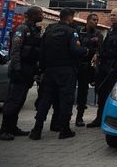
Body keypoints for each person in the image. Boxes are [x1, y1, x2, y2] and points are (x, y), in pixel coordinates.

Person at [30, 8, 87, 140]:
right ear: (70, 17)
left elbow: (42, 51)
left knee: (45, 100)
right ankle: (64, 129)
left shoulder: (49, 31)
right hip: (66, 71)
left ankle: (37, 130)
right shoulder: (71, 32)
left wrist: (42, 70)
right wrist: (85, 50)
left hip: (49, 71)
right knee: (66, 99)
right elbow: (75, 49)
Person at [0, 6, 44, 141]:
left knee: (20, 101)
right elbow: (15, 51)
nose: (42, 15)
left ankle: (12, 127)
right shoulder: (22, 29)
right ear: (33, 15)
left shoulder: (34, 30)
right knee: (13, 101)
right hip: (20, 69)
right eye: (40, 13)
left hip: (28, 70)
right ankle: (4, 130)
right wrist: (17, 69)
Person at [86, 8, 117, 128]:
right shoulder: (111, 30)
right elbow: (104, 46)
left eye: (114, 15)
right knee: (101, 93)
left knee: (112, 94)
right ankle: (99, 118)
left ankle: (111, 119)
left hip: (115, 68)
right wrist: (98, 55)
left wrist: (116, 65)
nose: (111, 17)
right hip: (104, 66)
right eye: (111, 15)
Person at [75, 13, 102, 126]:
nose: (95, 22)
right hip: (75, 65)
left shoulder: (98, 34)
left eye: (97, 20)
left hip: (87, 67)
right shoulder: (79, 31)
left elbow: (99, 49)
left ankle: (79, 117)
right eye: (93, 20)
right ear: (87, 20)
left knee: (83, 92)